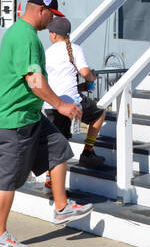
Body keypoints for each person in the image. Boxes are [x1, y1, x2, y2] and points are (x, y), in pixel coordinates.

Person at [0, 0, 92, 247]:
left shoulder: (20, 33)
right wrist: (62, 105)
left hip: (30, 115)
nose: (52, 23)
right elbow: (34, 80)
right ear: (41, 11)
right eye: (51, 16)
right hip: (15, 118)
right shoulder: (26, 38)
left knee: (59, 148)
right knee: (9, 179)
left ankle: (61, 207)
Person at [42, 16, 107, 170]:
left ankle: (50, 179)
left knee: (58, 144)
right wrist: (92, 78)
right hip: (71, 102)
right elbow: (85, 72)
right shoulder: (75, 49)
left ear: (53, 34)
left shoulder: (46, 52)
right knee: (99, 113)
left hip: (52, 103)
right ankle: (88, 152)